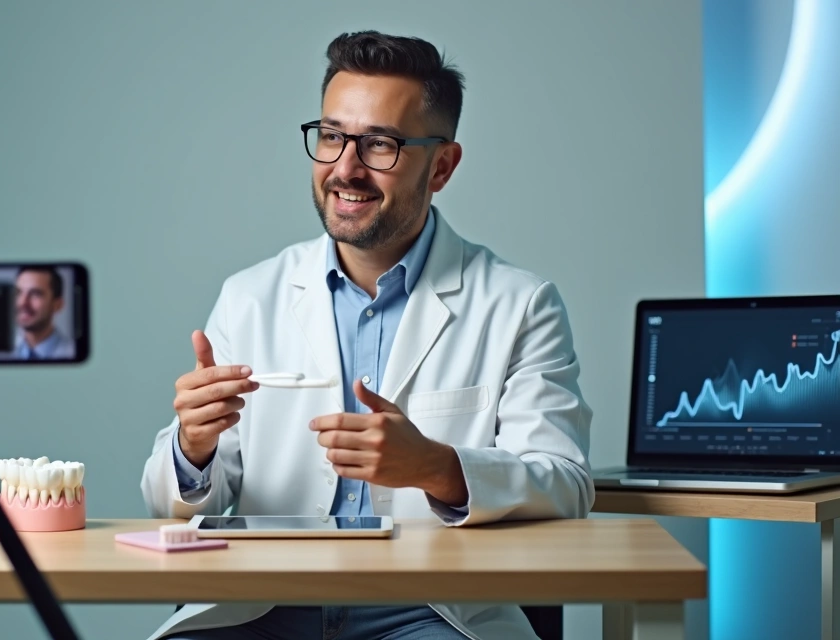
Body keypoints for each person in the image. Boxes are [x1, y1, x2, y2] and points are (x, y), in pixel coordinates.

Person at [140, 30, 593, 640]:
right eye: (331, 137)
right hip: (263, 608)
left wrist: (437, 468)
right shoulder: (250, 296)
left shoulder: (519, 304)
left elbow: (566, 483)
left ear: (442, 166)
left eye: (380, 145)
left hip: (428, 612)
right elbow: (177, 505)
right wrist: (193, 447)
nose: (345, 169)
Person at [3, 266, 75, 360]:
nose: (22, 303)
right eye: (18, 293)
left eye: (35, 294)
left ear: (58, 305)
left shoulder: (72, 354)